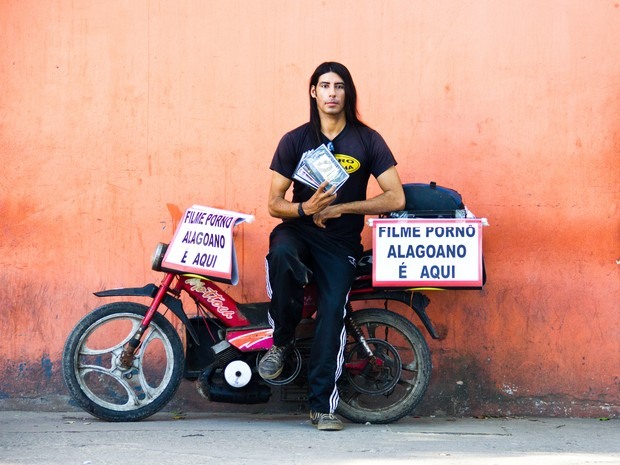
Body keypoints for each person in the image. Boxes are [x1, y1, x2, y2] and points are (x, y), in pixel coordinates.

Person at [259, 62, 405, 431]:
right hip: (300, 230)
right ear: (314, 92)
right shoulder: (294, 140)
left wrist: (342, 207)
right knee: (281, 252)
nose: (332, 93)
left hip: (340, 243)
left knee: (331, 313)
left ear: (348, 93)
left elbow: (395, 198)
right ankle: (282, 341)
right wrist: (305, 208)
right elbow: (273, 204)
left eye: (339, 86)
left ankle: (322, 407)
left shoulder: (368, 140)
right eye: (324, 86)